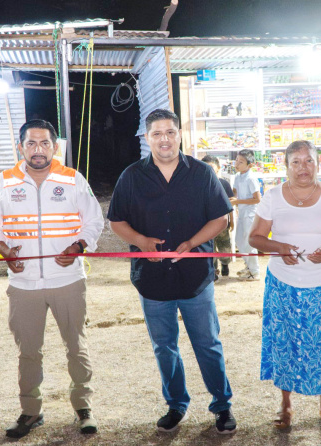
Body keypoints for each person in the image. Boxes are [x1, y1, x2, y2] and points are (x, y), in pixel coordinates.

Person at [108, 109, 237, 434]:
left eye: (170, 132)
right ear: (146, 138)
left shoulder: (201, 174)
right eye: (157, 134)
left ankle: (222, 406)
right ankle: (176, 404)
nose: (164, 139)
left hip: (195, 279)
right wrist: (140, 242)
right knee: (164, 347)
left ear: (180, 134)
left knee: (207, 343)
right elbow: (117, 221)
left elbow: (221, 218)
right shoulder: (131, 177)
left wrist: (193, 243)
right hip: (151, 281)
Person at [0, 119, 104, 438]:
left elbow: (93, 221)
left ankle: (83, 407)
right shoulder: (4, 182)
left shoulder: (73, 179)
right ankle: (30, 411)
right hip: (23, 286)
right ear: (20, 147)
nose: (38, 150)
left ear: (55, 146)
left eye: (44, 143)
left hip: (68, 280)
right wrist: (5, 250)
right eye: (31, 143)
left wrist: (78, 246)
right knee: (28, 351)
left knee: (76, 346)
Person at [248, 140, 321, 430]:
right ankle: (285, 405)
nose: (302, 168)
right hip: (283, 283)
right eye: (295, 162)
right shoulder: (272, 196)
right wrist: (279, 246)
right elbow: (255, 237)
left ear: (318, 164)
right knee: (285, 341)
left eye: (308, 161)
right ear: (286, 166)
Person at [201, 155, 234, 280]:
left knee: (224, 245)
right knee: (210, 247)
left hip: (222, 222)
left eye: (211, 168)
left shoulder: (224, 183)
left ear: (218, 168)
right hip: (206, 224)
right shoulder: (199, 184)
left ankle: (225, 263)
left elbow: (229, 204)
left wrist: (232, 221)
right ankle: (213, 271)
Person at [231, 149, 261, 281]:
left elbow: (257, 199)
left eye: (241, 162)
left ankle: (254, 272)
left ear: (250, 165)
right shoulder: (237, 176)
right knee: (239, 240)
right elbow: (234, 193)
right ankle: (248, 266)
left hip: (250, 214)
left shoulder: (251, 178)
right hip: (242, 212)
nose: (237, 164)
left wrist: (237, 201)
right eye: (236, 160)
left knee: (249, 243)